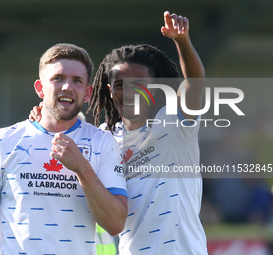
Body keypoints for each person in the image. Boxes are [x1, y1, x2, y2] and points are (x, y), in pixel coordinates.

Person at [30, 11, 208, 254]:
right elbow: (67, 128)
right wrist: (43, 115)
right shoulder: (104, 138)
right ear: (109, 90)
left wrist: (182, 40)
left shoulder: (175, 122)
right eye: (120, 85)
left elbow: (195, 85)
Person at [0, 43, 128, 255]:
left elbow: (115, 225)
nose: (67, 86)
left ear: (87, 93)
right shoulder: (3, 140)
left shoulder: (103, 143)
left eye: (77, 81)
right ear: (40, 88)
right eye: (58, 78)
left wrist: (82, 169)